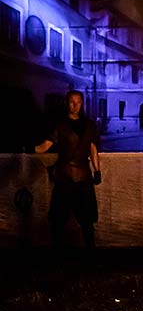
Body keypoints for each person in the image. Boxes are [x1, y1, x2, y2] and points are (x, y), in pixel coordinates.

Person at [34, 90, 102, 254]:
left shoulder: (89, 125)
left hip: (84, 177)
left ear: (82, 104)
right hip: (64, 177)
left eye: (78, 102)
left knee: (87, 220)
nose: (75, 105)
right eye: (72, 102)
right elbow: (45, 146)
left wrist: (97, 170)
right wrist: (29, 148)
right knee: (58, 218)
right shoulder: (61, 125)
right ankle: (58, 254)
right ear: (67, 103)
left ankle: (90, 254)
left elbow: (93, 149)